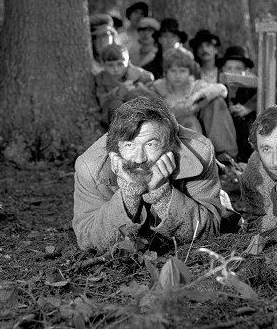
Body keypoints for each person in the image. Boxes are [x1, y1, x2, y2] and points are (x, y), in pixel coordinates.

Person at [72, 96, 224, 252]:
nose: (139, 158)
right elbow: (87, 239)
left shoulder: (198, 153)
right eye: (129, 145)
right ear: (115, 149)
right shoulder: (90, 166)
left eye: (150, 144)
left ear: (169, 146)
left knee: (227, 213)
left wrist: (161, 192)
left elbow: (210, 231)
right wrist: (129, 194)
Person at [151, 47, 238, 162]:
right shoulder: (158, 86)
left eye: (182, 71)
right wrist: (189, 109)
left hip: (197, 130)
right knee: (189, 120)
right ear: (166, 72)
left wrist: (197, 98)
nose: (177, 76)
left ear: (189, 72)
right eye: (173, 71)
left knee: (216, 102)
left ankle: (226, 157)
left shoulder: (195, 85)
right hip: (168, 133)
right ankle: (195, 160)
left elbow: (222, 90)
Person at [94, 44, 155, 126]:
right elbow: (102, 101)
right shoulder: (101, 78)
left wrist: (139, 88)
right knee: (115, 104)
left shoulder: (142, 75)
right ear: (103, 65)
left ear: (128, 62)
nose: (116, 69)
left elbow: (153, 98)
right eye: (110, 65)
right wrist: (117, 93)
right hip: (114, 118)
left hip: (140, 117)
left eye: (120, 64)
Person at [217, 46, 257, 162]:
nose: (233, 73)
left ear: (246, 71)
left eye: (238, 69)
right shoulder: (220, 88)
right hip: (225, 135)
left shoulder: (253, 89)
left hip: (247, 136)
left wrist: (248, 107)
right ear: (223, 70)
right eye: (229, 68)